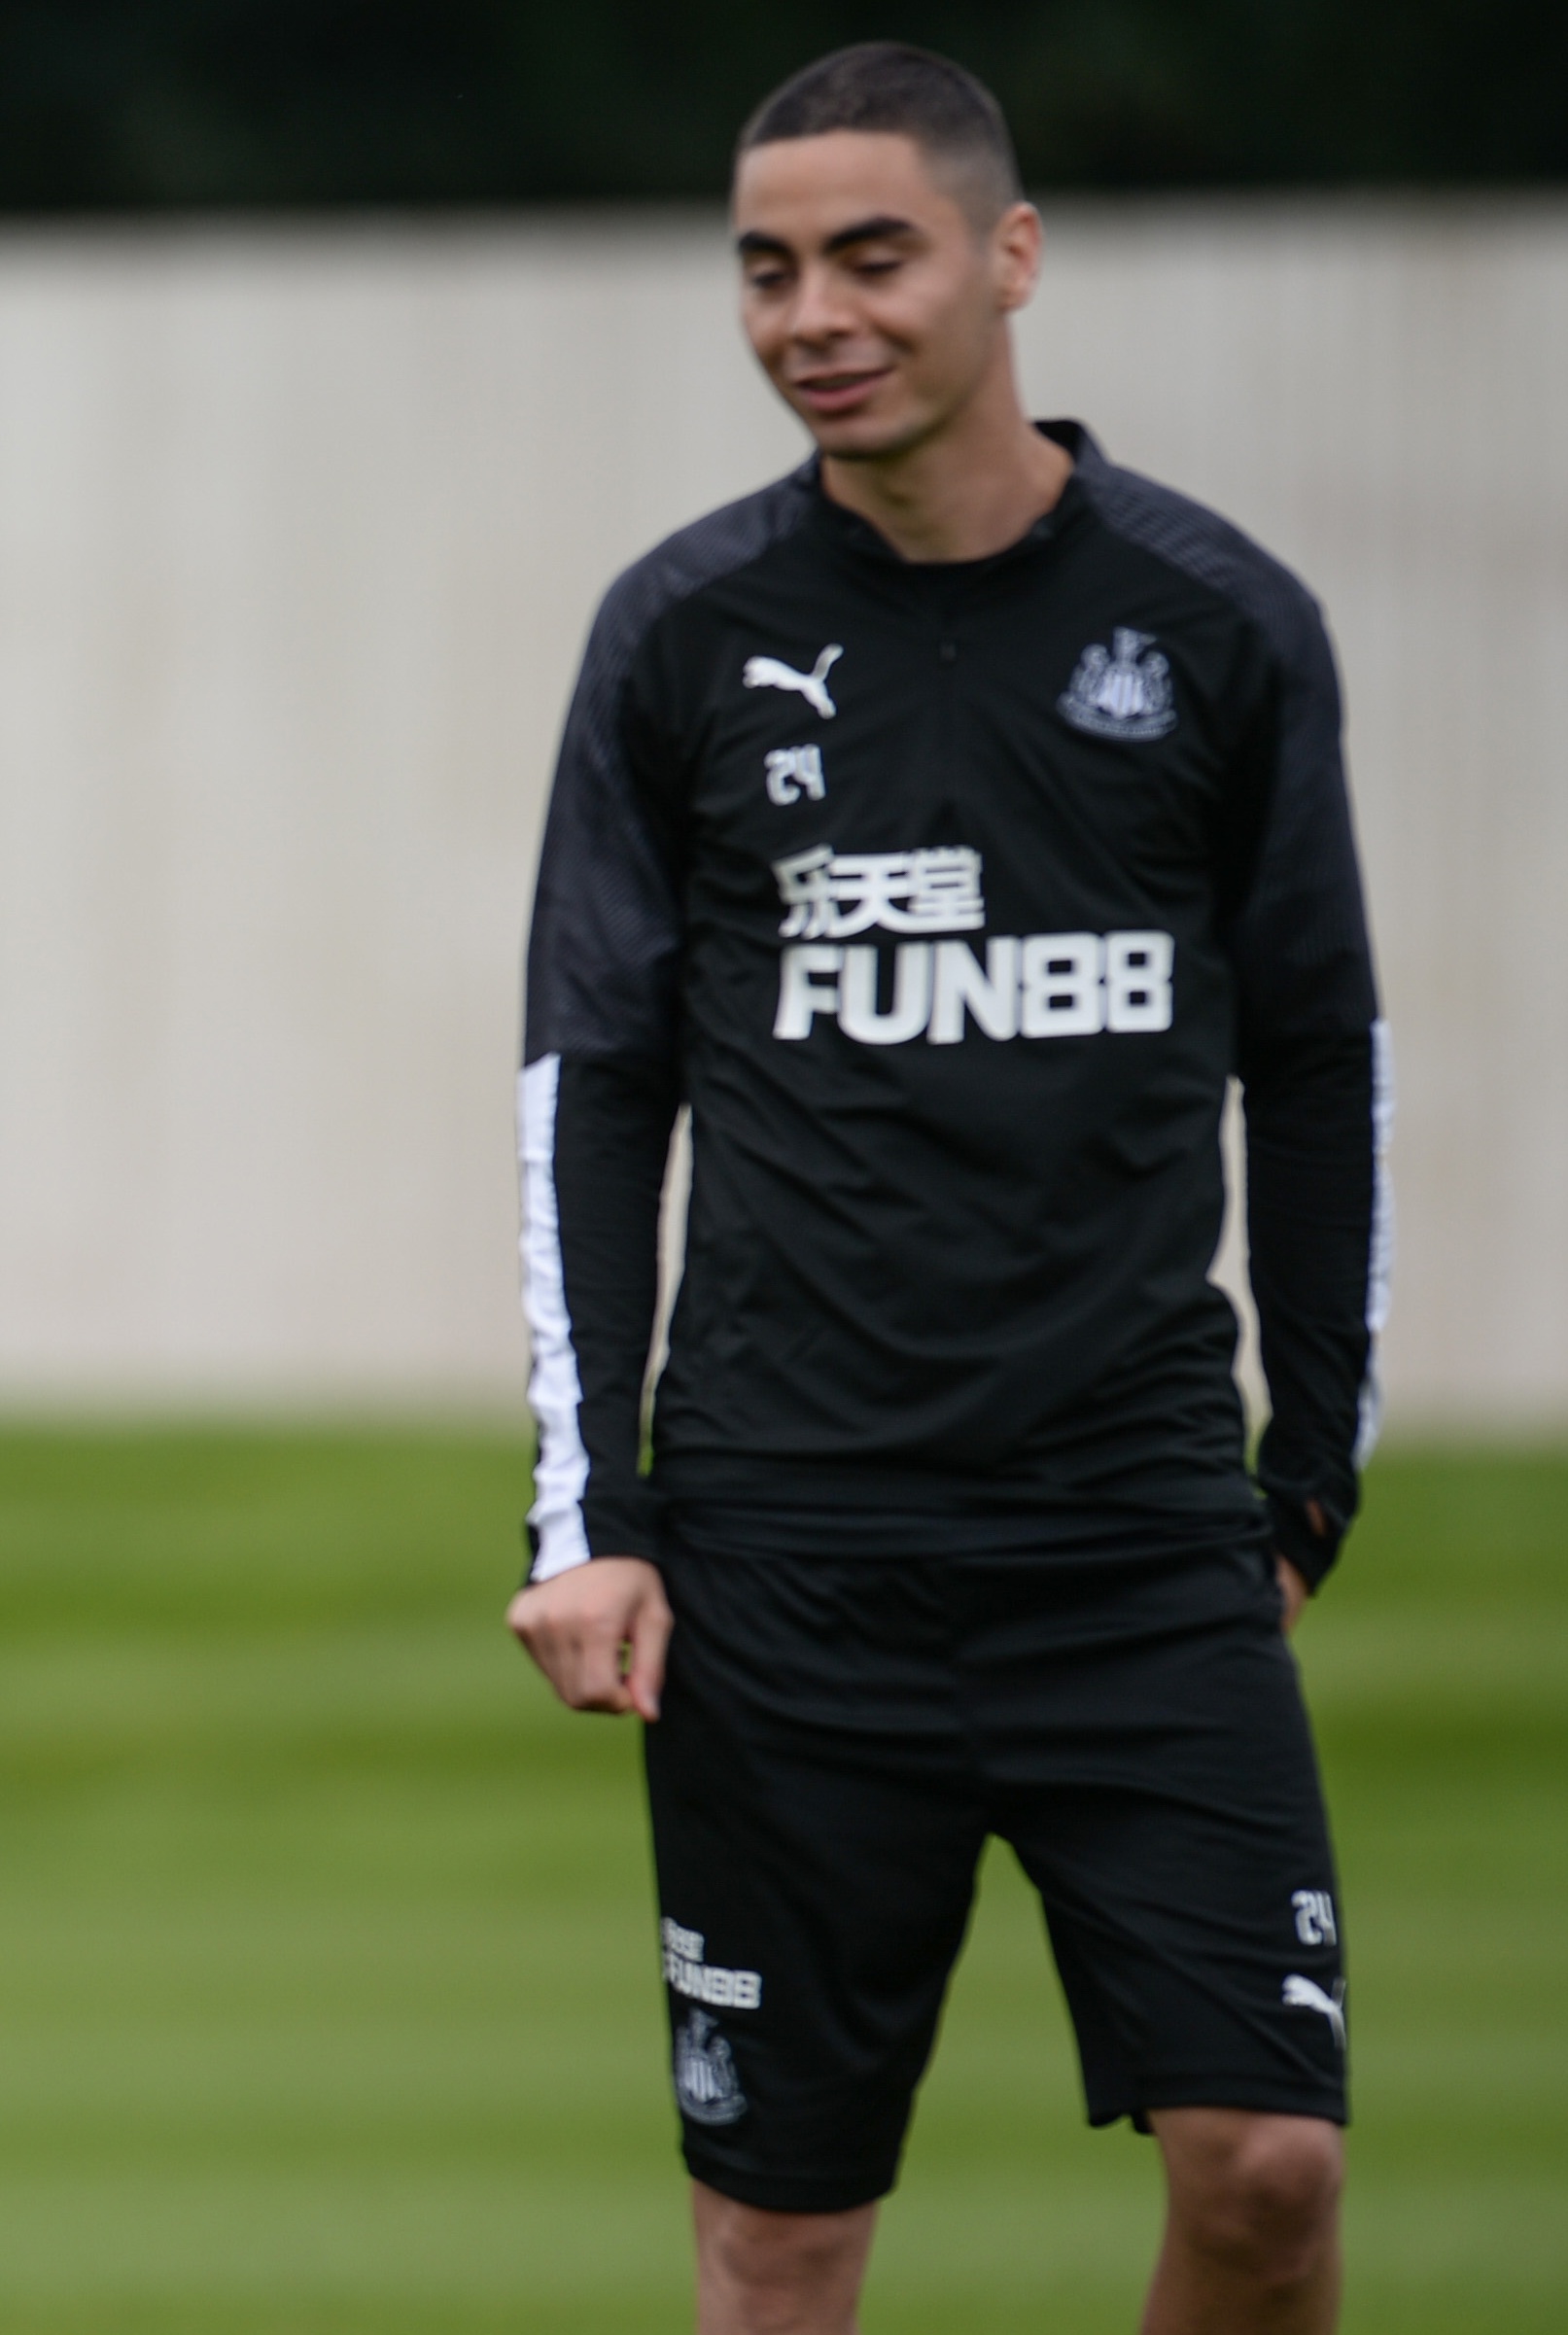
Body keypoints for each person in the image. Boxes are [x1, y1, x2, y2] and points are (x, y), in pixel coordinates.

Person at [504, 45, 1386, 2335]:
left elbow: (1316, 1061)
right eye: (765, 269)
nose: (811, 313)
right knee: (776, 2243)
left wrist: (1307, 1468)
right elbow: (589, 1083)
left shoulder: (1214, 620)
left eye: (868, 255)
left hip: (1130, 1543)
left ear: (1006, 256)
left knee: (1269, 2167)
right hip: (784, 1557)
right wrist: (588, 1511)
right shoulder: (680, 633)